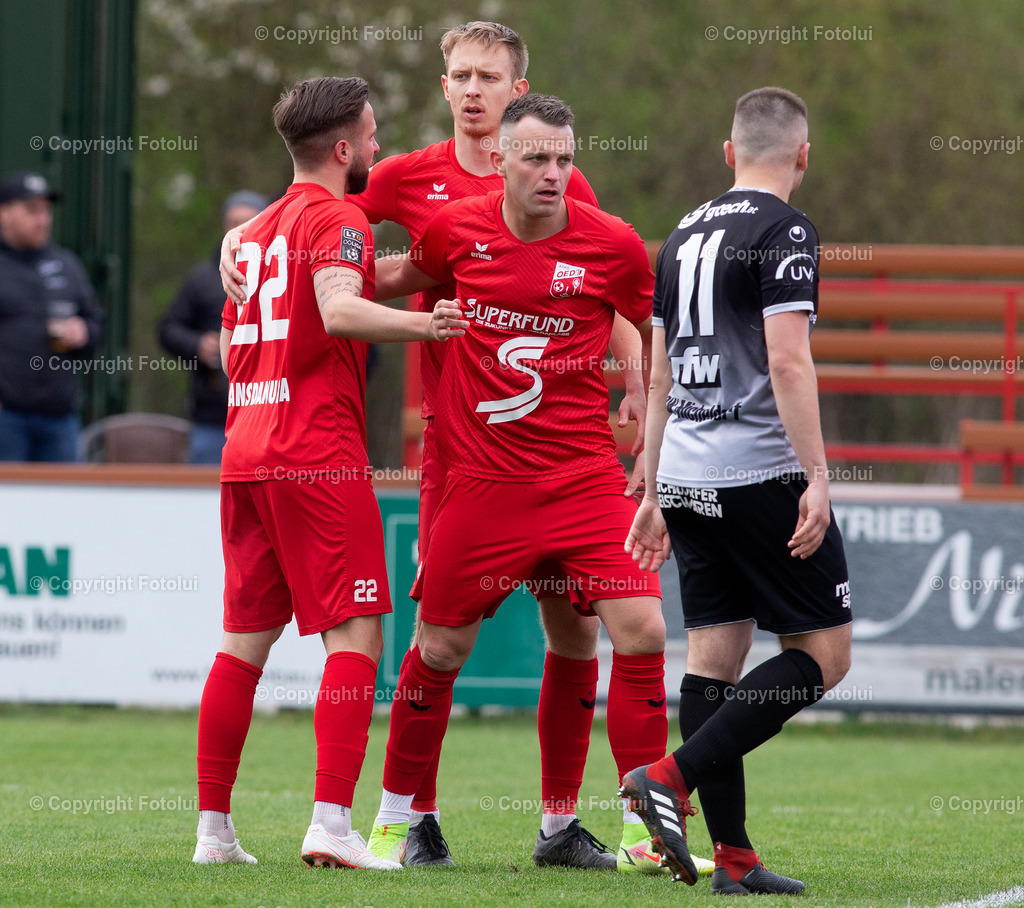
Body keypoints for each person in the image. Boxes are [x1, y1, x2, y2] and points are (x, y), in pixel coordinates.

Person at [218, 21, 695, 876]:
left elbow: (616, 300)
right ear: (446, 87)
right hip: (460, 454)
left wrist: (636, 391)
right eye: (460, 75)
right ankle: (409, 818)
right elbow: (317, 217)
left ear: (520, 91)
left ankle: (573, 824)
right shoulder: (407, 182)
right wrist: (243, 235)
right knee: (438, 645)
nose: (472, 89)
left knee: (588, 635)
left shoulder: (570, 190)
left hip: (573, 458)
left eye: (489, 75)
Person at [360, 92, 670, 873]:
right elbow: (395, 276)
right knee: (439, 646)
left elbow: (654, 325)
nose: (552, 173)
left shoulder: (615, 244)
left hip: (582, 479)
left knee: (641, 632)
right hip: (480, 482)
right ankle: (396, 823)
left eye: (565, 159)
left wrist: (643, 411)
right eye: (536, 157)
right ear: (499, 161)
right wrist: (284, 258)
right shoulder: (456, 229)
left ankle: (644, 829)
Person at [193, 75, 465, 871]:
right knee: (357, 634)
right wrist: (431, 324)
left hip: (245, 452)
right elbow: (340, 307)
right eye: (373, 137)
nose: (379, 149)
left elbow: (301, 304)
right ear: (343, 149)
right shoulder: (339, 216)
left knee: (242, 646)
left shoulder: (252, 233)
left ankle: (215, 833)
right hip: (313, 453)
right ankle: (331, 822)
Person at [619, 86, 852, 895]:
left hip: (682, 472)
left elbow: (654, 378)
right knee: (823, 657)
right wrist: (818, 475)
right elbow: (788, 361)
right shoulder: (785, 230)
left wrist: (648, 485)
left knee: (713, 662)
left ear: (728, 154)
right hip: (757, 473)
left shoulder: (681, 233)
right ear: (804, 154)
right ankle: (668, 778)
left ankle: (736, 859)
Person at [0, 171, 103, 462]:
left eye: (46, 211)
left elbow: (97, 325)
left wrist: (84, 331)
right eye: (32, 210)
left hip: (60, 420)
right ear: (4, 213)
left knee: (66, 505)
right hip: (7, 419)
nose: (42, 220)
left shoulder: (66, 264)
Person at [159, 190, 268, 464]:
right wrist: (197, 345)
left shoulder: (283, 274)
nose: (239, 230)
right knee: (207, 498)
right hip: (212, 418)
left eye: (248, 222)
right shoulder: (203, 278)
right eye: (232, 223)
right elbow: (168, 328)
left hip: (269, 414)